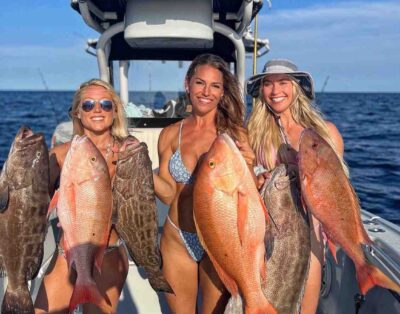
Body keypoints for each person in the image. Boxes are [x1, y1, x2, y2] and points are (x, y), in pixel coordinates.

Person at [153, 53, 255, 313]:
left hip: (219, 241)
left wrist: (251, 166)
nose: (206, 92)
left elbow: (248, 195)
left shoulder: (234, 135)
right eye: (200, 83)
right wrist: (140, 169)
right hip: (177, 238)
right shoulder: (168, 134)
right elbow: (166, 194)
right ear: (188, 84)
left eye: (215, 86)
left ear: (222, 92)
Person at [246, 59, 348, 314]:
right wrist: (258, 180)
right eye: (268, 84)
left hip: (310, 235)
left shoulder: (325, 133)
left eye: (283, 83)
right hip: (267, 236)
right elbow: (244, 184)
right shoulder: (253, 133)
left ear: (297, 87)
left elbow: (341, 193)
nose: (275, 90)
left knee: (304, 308)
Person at [34, 79, 130, 313]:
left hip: (108, 254)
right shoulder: (58, 154)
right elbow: (36, 202)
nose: (97, 109)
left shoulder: (129, 151)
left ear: (115, 111)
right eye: (88, 105)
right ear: (77, 112)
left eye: (106, 104)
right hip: (64, 253)